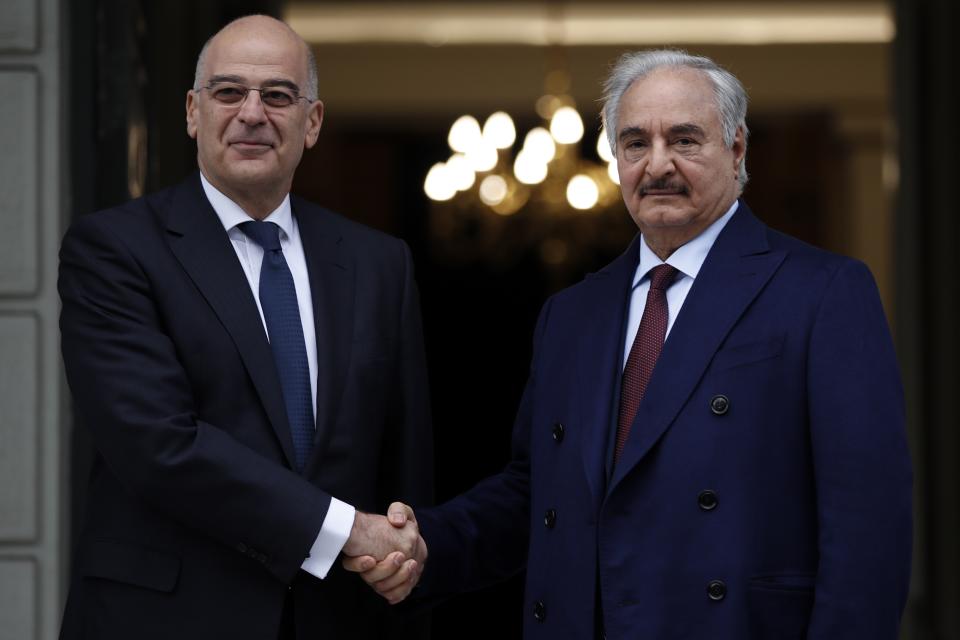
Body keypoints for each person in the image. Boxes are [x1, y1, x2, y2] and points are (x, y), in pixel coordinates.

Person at [346, 49, 913, 639]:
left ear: (737, 149)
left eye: (685, 140)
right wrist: (423, 545)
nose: (657, 164)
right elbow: (534, 495)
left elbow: (867, 526)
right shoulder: (571, 314)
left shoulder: (822, 292)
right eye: (635, 143)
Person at [58, 15, 430, 640]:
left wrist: (403, 551)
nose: (252, 113)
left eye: (278, 95)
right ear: (191, 112)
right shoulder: (114, 250)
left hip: (337, 621)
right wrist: (343, 529)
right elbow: (159, 446)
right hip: (164, 620)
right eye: (228, 92)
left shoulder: (378, 262)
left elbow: (405, 458)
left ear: (312, 123)